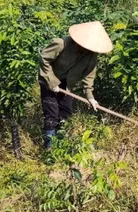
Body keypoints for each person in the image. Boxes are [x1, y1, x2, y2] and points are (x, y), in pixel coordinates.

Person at [38, 21, 113, 149]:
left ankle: (60, 146)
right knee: (52, 114)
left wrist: (90, 97)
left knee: (66, 113)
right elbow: (44, 59)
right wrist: (52, 81)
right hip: (49, 79)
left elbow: (89, 76)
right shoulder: (62, 44)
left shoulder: (91, 55)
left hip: (67, 85)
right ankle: (49, 148)